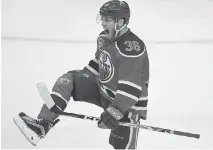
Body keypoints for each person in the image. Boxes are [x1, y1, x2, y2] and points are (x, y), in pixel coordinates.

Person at [13, 0, 149, 149]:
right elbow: (100, 64)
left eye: (107, 20)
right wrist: (81, 79)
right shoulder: (104, 38)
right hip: (102, 91)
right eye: (102, 19)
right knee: (68, 80)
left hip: (127, 105)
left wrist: (115, 110)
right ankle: (43, 125)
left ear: (121, 22)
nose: (103, 23)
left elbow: (132, 88)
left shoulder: (131, 47)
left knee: (121, 145)